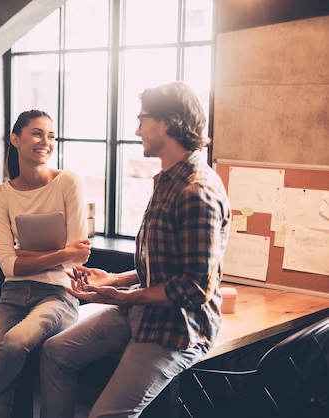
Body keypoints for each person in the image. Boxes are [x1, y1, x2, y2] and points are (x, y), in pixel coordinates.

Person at [39, 81, 232, 418]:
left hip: (178, 329)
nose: (136, 129)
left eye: (143, 120)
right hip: (143, 312)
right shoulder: (168, 179)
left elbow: (195, 287)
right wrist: (115, 279)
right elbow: (161, 267)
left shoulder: (195, 191)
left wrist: (126, 297)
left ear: (168, 122)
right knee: (55, 352)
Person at [0, 109, 92, 418]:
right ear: (15, 139)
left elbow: (79, 255)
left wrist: (26, 254)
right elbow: (8, 266)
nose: (45, 141)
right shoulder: (1, 194)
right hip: (12, 295)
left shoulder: (69, 182)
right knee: (0, 401)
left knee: (16, 342)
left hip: (59, 294)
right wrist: (59, 253)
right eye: (37, 133)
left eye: (51, 135)